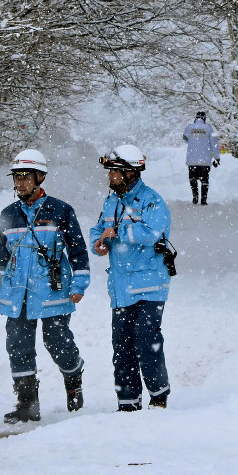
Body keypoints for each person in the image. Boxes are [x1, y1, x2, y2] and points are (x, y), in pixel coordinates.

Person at [0, 148, 90, 424]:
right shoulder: (8, 214)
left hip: (52, 291)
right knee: (17, 345)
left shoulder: (61, 210)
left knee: (58, 342)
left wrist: (80, 282)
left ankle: (73, 377)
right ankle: (27, 403)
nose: (19, 183)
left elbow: (78, 252)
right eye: (16, 177)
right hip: (17, 294)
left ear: (40, 177)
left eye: (25, 177)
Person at [90, 144, 172, 411]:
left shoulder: (152, 200)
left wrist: (120, 233)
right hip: (121, 289)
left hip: (149, 287)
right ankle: (127, 404)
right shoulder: (111, 200)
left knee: (147, 341)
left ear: (129, 172)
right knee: (122, 348)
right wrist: (98, 242)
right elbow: (98, 229)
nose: (110, 176)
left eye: (114, 171)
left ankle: (158, 397)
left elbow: (153, 232)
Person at [182, 111, 220, 204]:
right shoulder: (209, 129)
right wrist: (217, 158)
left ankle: (195, 198)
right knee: (204, 180)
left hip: (192, 160)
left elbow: (185, 139)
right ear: (204, 118)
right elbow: (214, 144)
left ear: (196, 118)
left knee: (193, 179)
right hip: (205, 161)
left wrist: (193, 140)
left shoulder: (189, 128)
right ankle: (203, 200)